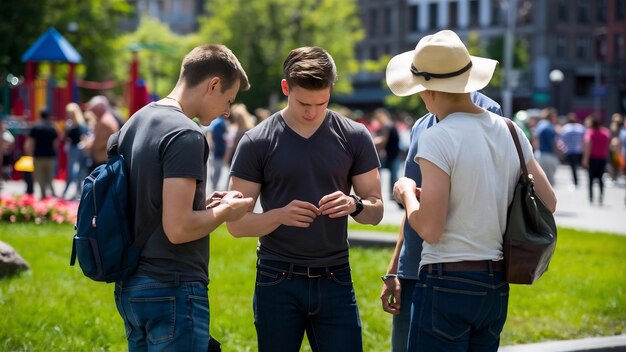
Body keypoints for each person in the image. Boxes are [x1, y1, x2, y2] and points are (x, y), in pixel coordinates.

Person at [386, 30, 557, 351]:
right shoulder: (510, 130)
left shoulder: (437, 137)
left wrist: (406, 192)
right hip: (495, 283)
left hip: (445, 281)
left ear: (428, 89)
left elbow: (431, 229)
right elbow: (549, 200)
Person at [226, 46, 384, 351]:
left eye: (321, 102)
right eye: (303, 103)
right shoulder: (256, 141)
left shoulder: (355, 136)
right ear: (286, 88)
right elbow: (236, 225)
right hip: (277, 278)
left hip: (335, 276)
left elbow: (376, 212)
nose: (312, 112)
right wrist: (279, 216)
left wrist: (355, 205)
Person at [113, 44, 255, 351]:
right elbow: (177, 229)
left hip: (131, 285)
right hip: (172, 286)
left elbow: (149, 203)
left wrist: (205, 207)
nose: (227, 110)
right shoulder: (185, 134)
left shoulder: (134, 123)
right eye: (228, 99)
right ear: (213, 85)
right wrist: (225, 213)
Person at [380, 91, 502, 352]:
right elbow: (417, 200)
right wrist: (395, 268)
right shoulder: (422, 124)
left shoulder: (489, 115)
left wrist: (406, 193)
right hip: (415, 266)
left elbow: (431, 222)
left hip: (451, 271)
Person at [25, 109, 59, 198]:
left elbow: (31, 143)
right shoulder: (52, 127)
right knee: (50, 177)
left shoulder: (35, 127)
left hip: (38, 156)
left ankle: (43, 196)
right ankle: (53, 194)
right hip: (50, 156)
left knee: (40, 179)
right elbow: (55, 143)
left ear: (40, 115)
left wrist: (30, 154)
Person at [61, 103, 90, 200]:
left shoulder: (81, 124)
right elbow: (65, 137)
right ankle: (67, 191)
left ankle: (78, 192)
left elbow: (84, 137)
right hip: (72, 148)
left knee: (79, 171)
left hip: (79, 149)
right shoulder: (69, 124)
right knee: (72, 171)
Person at [86, 95, 120, 172]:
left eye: (94, 109)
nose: (93, 112)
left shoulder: (104, 122)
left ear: (100, 108)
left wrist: (89, 145)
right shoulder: (105, 119)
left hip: (103, 161)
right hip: (104, 159)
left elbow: (99, 143)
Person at [582, 116, 610, 205]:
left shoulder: (590, 133)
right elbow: (608, 145)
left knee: (591, 179)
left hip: (593, 158)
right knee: (601, 178)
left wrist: (585, 159)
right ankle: (601, 197)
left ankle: (591, 197)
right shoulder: (605, 133)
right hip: (602, 158)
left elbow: (587, 146)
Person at [533, 107, 560, 185]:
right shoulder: (549, 127)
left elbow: (535, 140)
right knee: (549, 183)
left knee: (541, 181)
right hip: (548, 155)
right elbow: (554, 142)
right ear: (551, 117)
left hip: (540, 154)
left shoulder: (540, 124)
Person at [559, 113, 586, 189]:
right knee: (577, 166)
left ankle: (575, 180)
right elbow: (584, 139)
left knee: (573, 167)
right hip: (578, 150)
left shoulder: (565, 128)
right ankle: (577, 179)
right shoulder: (580, 128)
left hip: (569, 150)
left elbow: (562, 139)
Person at [205, 114, 228, 191]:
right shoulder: (221, 123)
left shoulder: (215, 122)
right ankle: (214, 184)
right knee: (217, 169)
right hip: (218, 150)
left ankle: (214, 184)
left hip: (215, 149)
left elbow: (209, 134)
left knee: (213, 168)